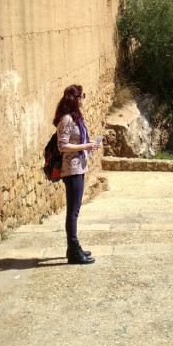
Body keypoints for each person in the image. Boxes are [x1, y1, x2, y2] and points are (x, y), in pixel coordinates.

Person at [53, 84, 98, 264]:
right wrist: (84, 146)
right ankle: (73, 250)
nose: (83, 99)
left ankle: (75, 247)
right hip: (71, 169)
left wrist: (90, 146)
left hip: (79, 166)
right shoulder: (67, 120)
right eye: (81, 96)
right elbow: (62, 145)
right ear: (75, 99)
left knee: (75, 210)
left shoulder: (75, 118)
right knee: (73, 211)